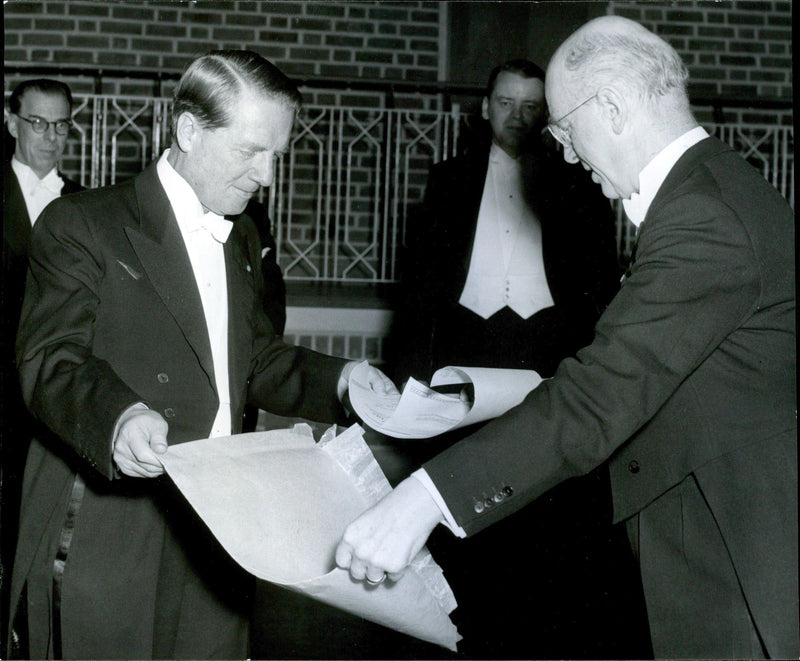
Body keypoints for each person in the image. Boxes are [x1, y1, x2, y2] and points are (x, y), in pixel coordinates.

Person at [336, 16, 797, 659]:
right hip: (710, 536)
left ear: (610, 106)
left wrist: (423, 497)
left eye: (565, 129)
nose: (569, 154)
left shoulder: (702, 217)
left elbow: (597, 395)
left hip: (736, 558)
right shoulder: (709, 191)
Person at [6, 50, 394, 660]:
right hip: (110, 522)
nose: (267, 175)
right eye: (250, 151)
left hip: (219, 524)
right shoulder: (83, 222)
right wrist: (120, 416)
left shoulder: (242, 235)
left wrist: (343, 380)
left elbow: (252, 358)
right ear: (189, 131)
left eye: (277, 154)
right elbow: (51, 360)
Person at [386, 59, 648, 658]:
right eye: (506, 103)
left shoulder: (579, 185)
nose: (518, 117)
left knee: (540, 520)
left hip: (545, 362)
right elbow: (419, 291)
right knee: (466, 518)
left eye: (533, 106)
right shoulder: (447, 180)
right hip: (464, 361)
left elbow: (597, 288)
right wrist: (408, 383)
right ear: (485, 108)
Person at [1, 78, 84, 652]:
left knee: (32, 515)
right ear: (11, 122)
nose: (50, 137)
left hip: (44, 394)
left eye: (60, 125)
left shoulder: (82, 206)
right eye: (37, 123)